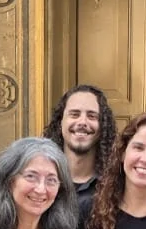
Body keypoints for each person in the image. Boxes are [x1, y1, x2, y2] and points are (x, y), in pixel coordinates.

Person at [43, 84, 117, 220]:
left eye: (92, 116)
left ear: (103, 126)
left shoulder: (115, 184)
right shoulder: (39, 180)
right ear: (60, 122)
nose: (82, 122)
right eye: (74, 114)